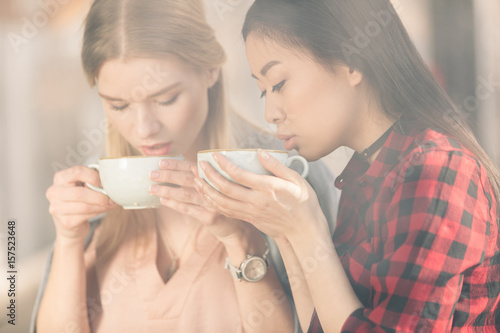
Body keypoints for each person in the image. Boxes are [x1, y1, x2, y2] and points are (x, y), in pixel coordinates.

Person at [30, 0, 339, 332]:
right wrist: (68, 240)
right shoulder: (93, 193)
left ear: (210, 69)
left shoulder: (285, 176)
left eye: (166, 99)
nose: (143, 128)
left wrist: (240, 240)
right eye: (119, 105)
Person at [194, 0, 500, 332]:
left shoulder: (437, 170)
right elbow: (322, 325)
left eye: (279, 83)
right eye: (262, 92)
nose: (271, 114)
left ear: (352, 62)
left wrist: (307, 231)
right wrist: (284, 230)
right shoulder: (366, 172)